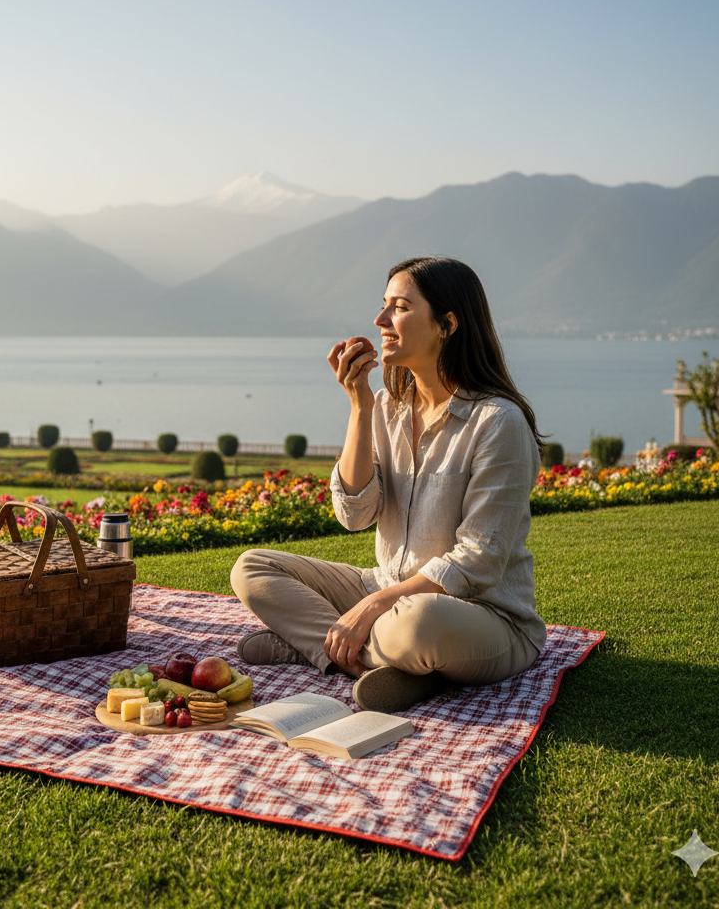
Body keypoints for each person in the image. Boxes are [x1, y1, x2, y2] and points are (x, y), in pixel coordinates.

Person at [230, 256, 547, 713]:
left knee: (418, 625)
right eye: (383, 306)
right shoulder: (386, 407)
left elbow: (478, 560)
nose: (380, 320)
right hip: (384, 588)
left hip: (478, 615)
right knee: (253, 568)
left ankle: (323, 647)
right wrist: (360, 407)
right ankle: (376, 662)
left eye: (399, 307)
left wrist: (373, 607)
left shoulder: (497, 422)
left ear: (447, 324)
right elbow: (354, 515)